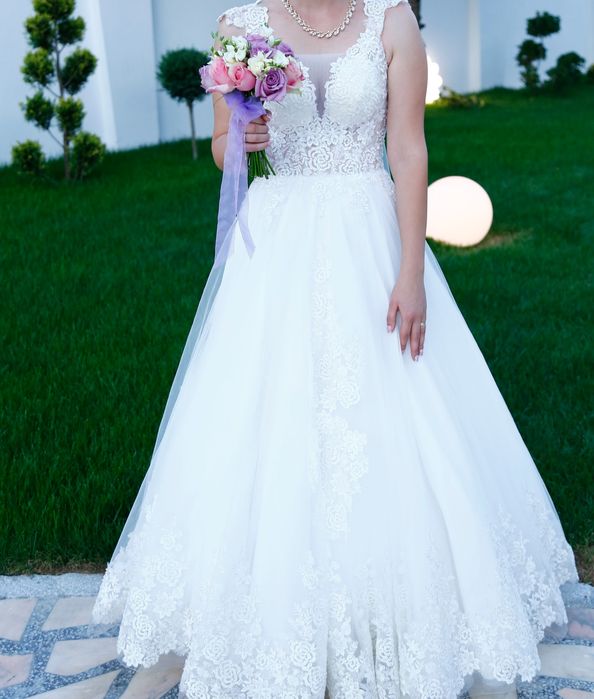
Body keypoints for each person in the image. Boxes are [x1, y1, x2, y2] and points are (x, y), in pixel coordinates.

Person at [91, 1, 580, 697]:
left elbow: (407, 150)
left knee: (394, 414)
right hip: (279, 241)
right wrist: (243, 139)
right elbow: (223, 145)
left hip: (367, 238)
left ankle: (405, 607)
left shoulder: (391, 20)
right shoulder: (241, 26)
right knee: (264, 416)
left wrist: (411, 271)